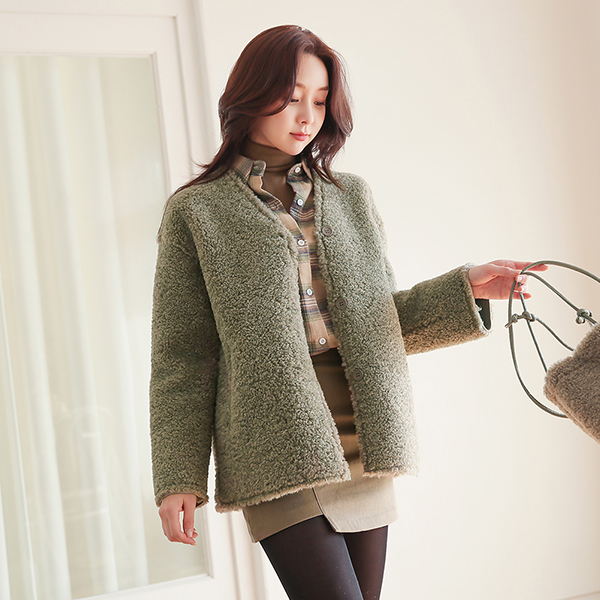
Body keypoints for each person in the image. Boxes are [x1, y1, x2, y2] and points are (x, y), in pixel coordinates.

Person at [149, 25, 546, 600]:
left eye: (319, 100)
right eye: (291, 97)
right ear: (249, 95)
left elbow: (379, 321)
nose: (306, 116)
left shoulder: (349, 195)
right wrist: (178, 476)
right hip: (277, 445)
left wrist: (467, 289)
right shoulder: (197, 212)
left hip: (364, 434)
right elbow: (183, 356)